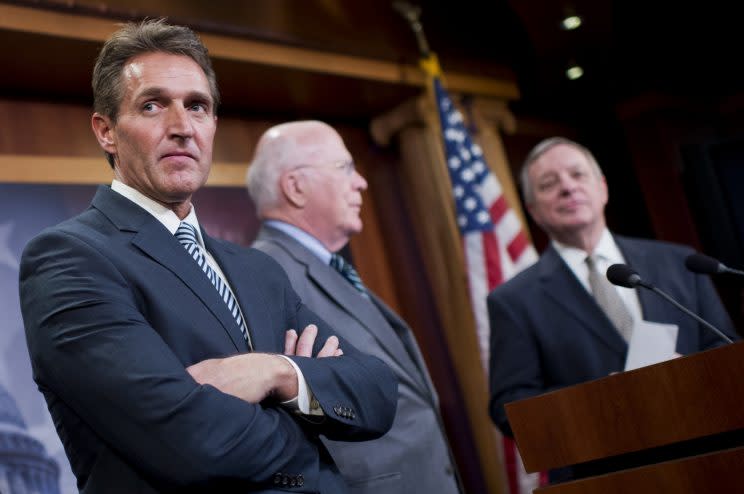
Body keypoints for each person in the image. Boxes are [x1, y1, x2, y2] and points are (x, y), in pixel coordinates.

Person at [18, 20, 397, 494]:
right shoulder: (69, 258)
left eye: (197, 106)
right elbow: (189, 439)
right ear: (107, 131)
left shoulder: (256, 269)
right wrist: (309, 426)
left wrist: (275, 371)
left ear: (213, 124)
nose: (181, 128)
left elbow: (377, 392)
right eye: (152, 105)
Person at [246, 120, 462, 494]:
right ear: (296, 187)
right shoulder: (267, 272)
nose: (360, 181)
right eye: (344, 167)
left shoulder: (325, 267)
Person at [488, 136, 738, 437]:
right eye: (548, 184)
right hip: (603, 468)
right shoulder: (513, 300)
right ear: (534, 210)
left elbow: (724, 348)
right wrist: (604, 398)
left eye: (578, 174)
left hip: (709, 444)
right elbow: (509, 408)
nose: (568, 187)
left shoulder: (680, 263)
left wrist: (690, 374)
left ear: (602, 188)